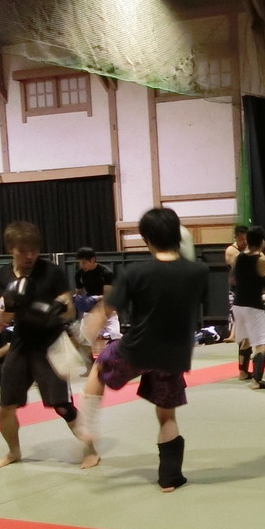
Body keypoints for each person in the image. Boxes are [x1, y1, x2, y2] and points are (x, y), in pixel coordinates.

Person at [76, 207, 209, 491]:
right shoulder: (198, 271)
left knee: (99, 368)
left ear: (146, 239)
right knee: (167, 415)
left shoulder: (136, 272)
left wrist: (79, 340)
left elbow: (103, 311)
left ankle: (87, 429)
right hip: (173, 355)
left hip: (137, 349)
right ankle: (169, 479)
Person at [0, 220, 80, 468]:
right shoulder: (0, 276)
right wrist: (11, 301)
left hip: (51, 342)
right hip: (21, 343)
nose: (30, 256)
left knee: (62, 406)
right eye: (23, 251)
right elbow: (4, 319)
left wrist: (57, 308)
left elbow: (70, 310)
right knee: (6, 406)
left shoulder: (52, 272)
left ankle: (90, 449)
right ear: (11, 249)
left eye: (34, 250)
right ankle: (13, 452)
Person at [231, 226, 265, 389]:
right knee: (262, 344)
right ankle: (257, 380)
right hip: (253, 306)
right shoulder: (263, 260)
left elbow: (234, 279)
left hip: (238, 305)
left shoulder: (238, 257)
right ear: (263, 242)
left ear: (247, 241)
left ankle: (242, 372)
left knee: (247, 339)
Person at [73, 247, 119, 355]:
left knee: (115, 338)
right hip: (91, 309)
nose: (81, 265)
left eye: (84, 262)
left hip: (107, 308)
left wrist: (95, 298)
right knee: (85, 341)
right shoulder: (79, 274)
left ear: (93, 260)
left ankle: (116, 362)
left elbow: (108, 295)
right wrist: (76, 299)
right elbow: (79, 292)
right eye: (80, 263)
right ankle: (87, 363)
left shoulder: (105, 273)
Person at [225, 225, 250, 375]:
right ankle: (243, 368)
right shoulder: (231, 250)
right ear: (236, 238)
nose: (244, 242)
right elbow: (241, 264)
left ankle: (245, 366)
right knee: (240, 323)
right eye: (241, 240)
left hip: (248, 291)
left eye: (246, 240)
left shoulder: (249, 250)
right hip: (236, 290)